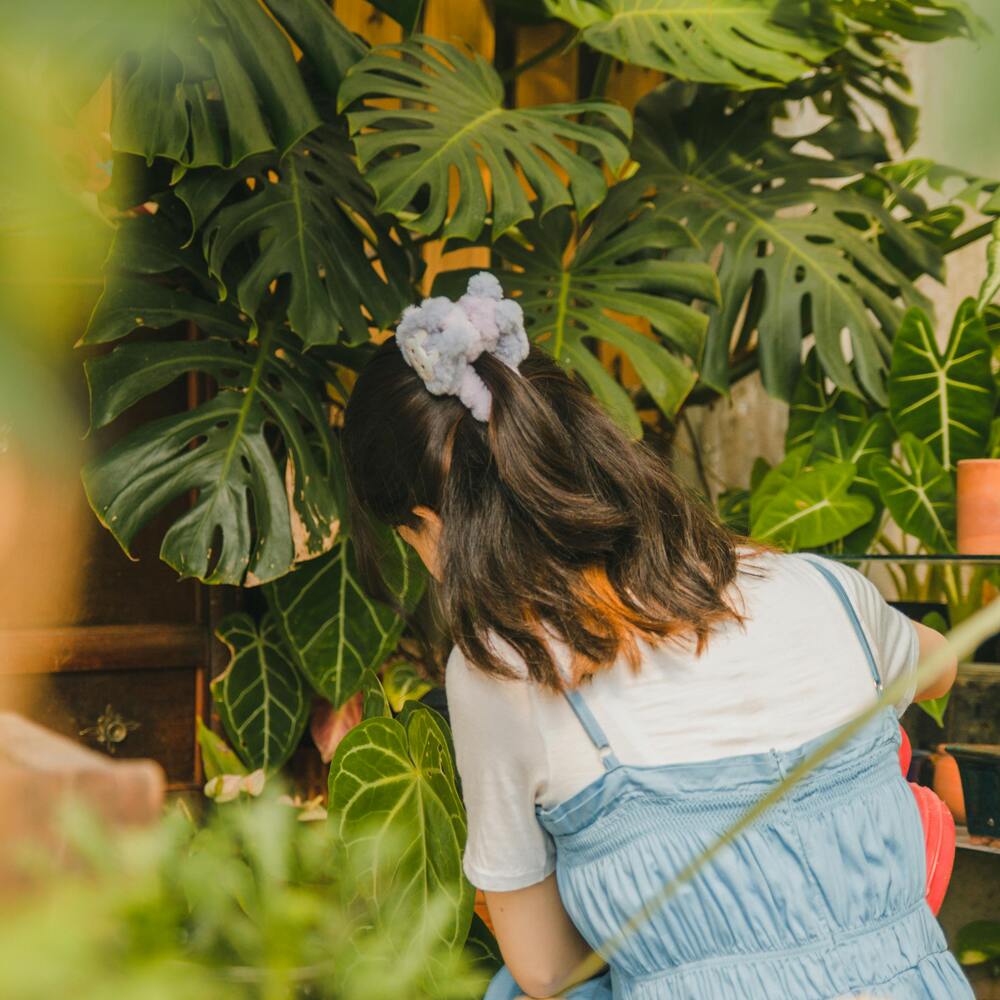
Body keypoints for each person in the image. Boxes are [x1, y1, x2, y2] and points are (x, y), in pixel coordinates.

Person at [341, 273, 970, 1000]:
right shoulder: (821, 589)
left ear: (431, 526)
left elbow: (546, 968)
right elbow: (941, 667)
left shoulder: (506, 669)